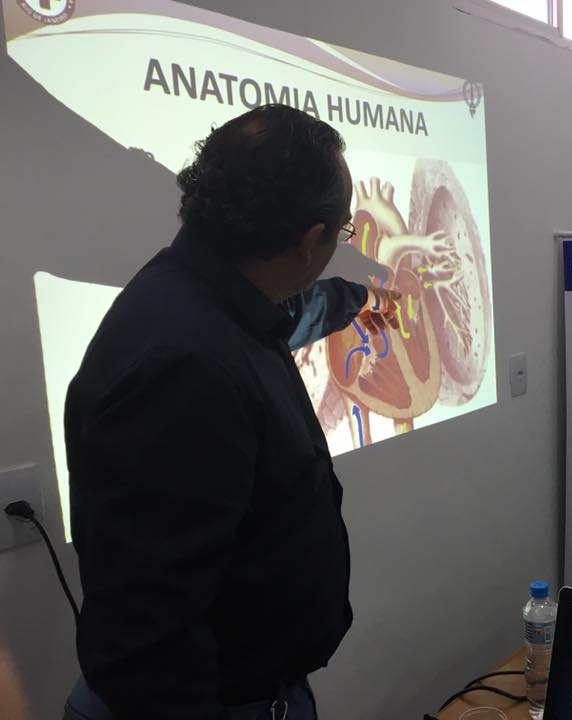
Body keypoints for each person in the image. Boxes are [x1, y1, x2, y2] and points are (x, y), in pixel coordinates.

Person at [62, 105, 399, 720]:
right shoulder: (185, 361)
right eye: (343, 232)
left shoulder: (210, 303)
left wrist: (361, 298)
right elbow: (153, 635)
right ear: (309, 241)